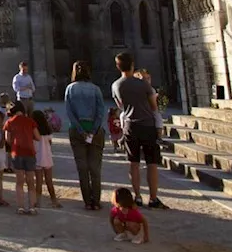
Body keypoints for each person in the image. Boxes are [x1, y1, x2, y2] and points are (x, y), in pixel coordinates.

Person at [112, 52, 168, 209]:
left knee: (133, 163)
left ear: (118, 67)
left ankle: (137, 196)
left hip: (130, 125)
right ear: (132, 65)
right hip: (147, 124)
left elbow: (120, 106)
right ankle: (153, 198)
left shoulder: (116, 85)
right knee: (151, 163)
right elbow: (154, 105)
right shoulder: (143, 84)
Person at [64, 60, 108, 210]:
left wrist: (81, 130)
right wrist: (93, 129)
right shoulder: (95, 89)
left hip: (77, 131)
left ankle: (87, 202)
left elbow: (69, 112)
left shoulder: (70, 89)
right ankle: (96, 201)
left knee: (82, 167)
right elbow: (101, 111)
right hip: (95, 132)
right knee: (95, 168)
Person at [4, 101, 39, 215]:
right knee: (30, 182)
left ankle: (21, 207)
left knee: (19, 182)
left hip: (17, 152)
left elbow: (8, 139)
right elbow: (37, 137)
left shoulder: (9, 122)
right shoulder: (30, 121)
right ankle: (32, 207)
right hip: (29, 152)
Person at [31, 109, 60, 208]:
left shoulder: (33, 132)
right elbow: (50, 143)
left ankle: (38, 201)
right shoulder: (48, 132)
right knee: (49, 181)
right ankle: (54, 201)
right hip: (47, 157)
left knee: (38, 182)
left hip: (38, 158)